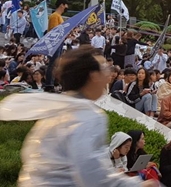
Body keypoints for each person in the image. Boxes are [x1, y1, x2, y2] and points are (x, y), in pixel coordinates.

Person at [0, 46, 153, 186]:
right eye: (104, 69)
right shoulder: (87, 116)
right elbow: (93, 176)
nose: (108, 76)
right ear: (93, 76)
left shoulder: (63, 109)